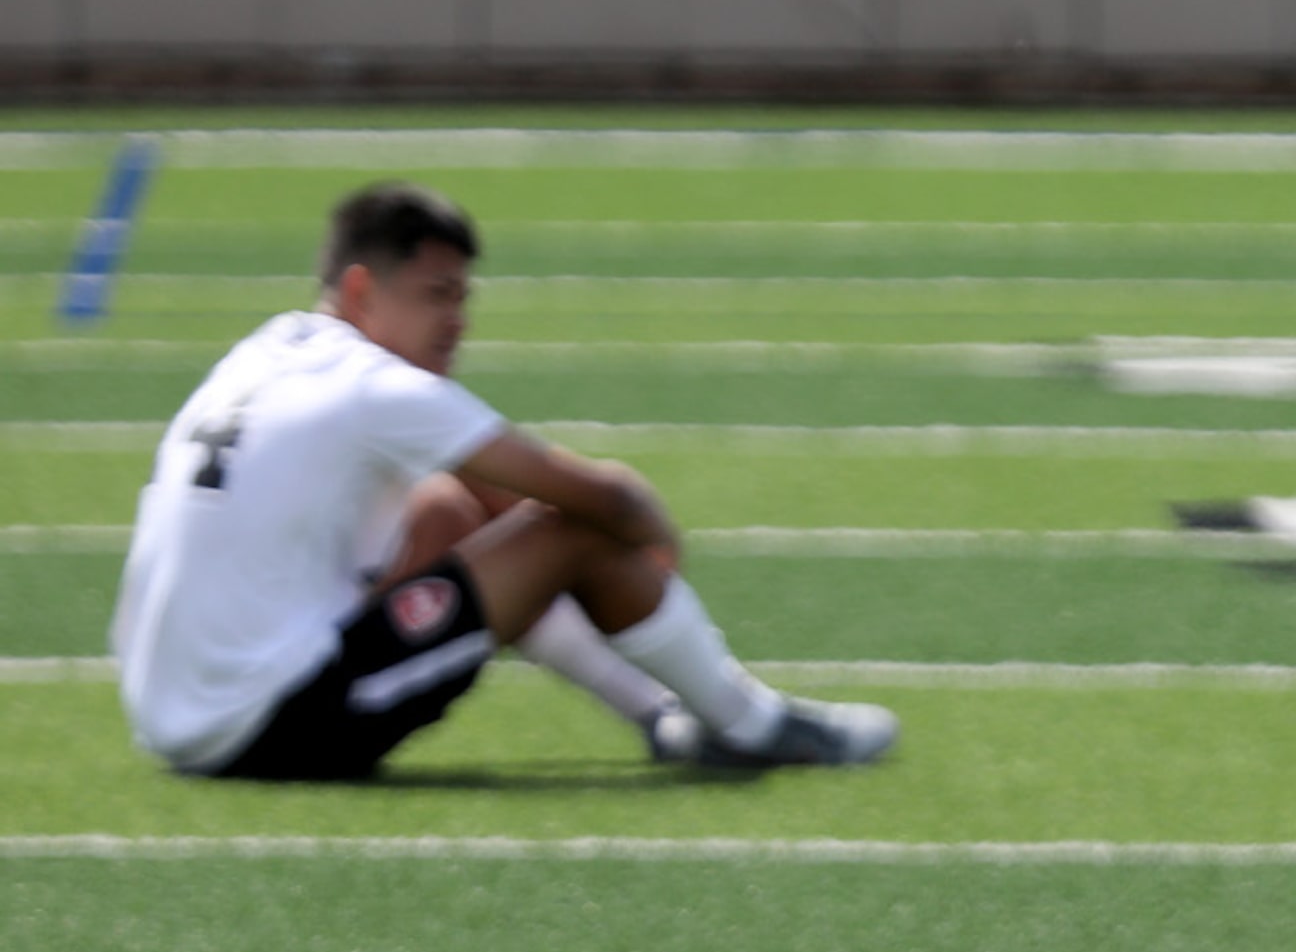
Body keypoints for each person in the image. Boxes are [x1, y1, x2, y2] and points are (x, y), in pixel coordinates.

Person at [110, 181, 894, 780]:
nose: (457, 321)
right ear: (359, 292)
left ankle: (659, 717)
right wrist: (651, 540)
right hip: (265, 726)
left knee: (459, 508)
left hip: (172, 714)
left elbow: (488, 499)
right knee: (571, 530)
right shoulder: (374, 384)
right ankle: (752, 726)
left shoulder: (265, 351)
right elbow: (603, 498)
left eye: (462, 298)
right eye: (435, 296)